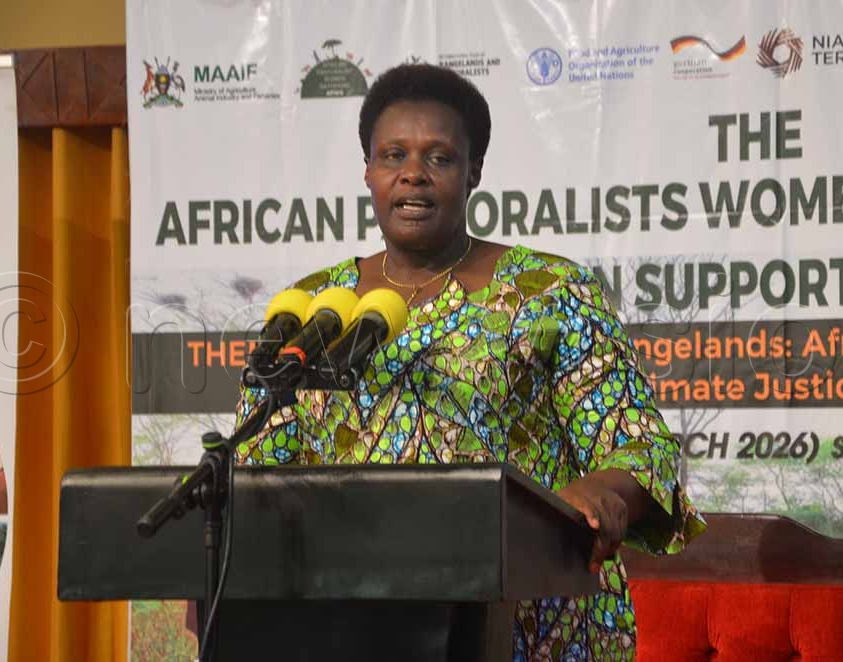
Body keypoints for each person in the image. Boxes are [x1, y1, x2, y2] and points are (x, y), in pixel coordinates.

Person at [235, 63, 705, 661]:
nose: (413, 173)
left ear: (474, 171)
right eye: (393, 155)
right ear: (369, 172)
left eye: (440, 157)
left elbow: (640, 448)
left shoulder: (549, 292)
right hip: (352, 622)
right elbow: (258, 469)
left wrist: (600, 492)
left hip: (527, 620)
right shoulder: (316, 306)